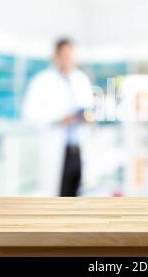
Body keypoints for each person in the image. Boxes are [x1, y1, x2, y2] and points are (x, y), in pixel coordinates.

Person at [23, 38, 93, 196]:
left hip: (79, 148)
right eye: (65, 56)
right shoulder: (42, 82)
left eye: (71, 56)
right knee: (59, 195)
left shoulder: (81, 79)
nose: (69, 60)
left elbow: (89, 107)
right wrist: (58, 120)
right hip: (57, 147)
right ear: (56, 57)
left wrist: (88, 117)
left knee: (77, 194)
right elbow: (30, 115)